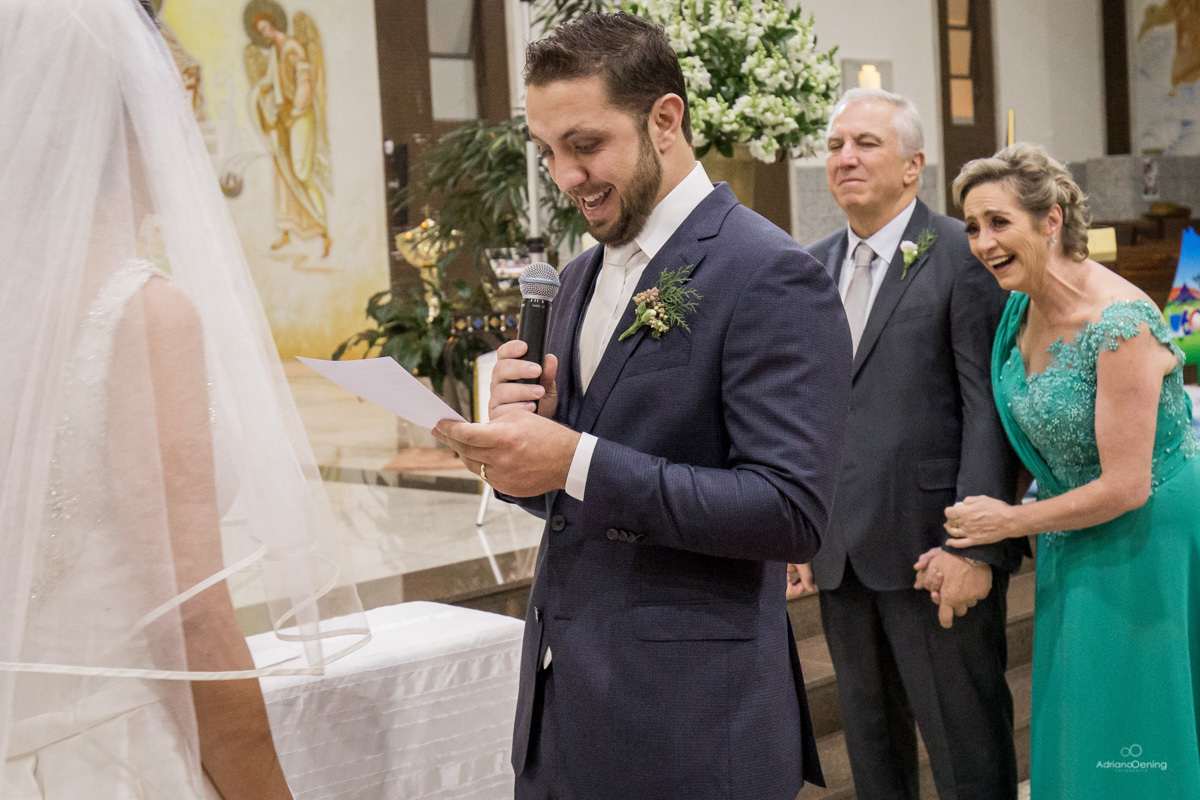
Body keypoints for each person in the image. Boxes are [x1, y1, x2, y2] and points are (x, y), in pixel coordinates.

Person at [432, 12, 852, 800]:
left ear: (665, 119)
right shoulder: (576, 280)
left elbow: (790, 511)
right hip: (565, 710)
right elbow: (571, 507)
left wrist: (577, 458)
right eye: (549, 152)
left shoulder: (769, 273)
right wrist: (517, 458)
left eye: (587, 146)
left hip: (693, 722)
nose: (565, 176)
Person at [0, 1, 367, 796]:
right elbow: (188, 619)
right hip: (110, 749)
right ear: (127, 122)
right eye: (174, 95)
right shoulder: (144, 316)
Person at [791, 88, 1026, 800]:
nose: (846, 158)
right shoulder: (811, 265)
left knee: (965, 745)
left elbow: (989, 409)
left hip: (935, 550)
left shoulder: (962, 254)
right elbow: (808, 410)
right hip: (841, 553)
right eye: (835, 146)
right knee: (870, 752)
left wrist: (975, 547)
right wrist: (801, 528)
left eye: (865, 143)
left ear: (913, 166)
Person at [947, 143, 1200, 797]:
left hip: (1146, 536)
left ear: (1051, 219)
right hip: (1070, 532)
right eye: (973, 226)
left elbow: (1127, 484)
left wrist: (1009, 520)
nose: (982, 242)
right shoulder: (1017, 310)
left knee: (1131, 718)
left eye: (999, 222)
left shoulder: (1119, 325)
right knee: (1077, 706)